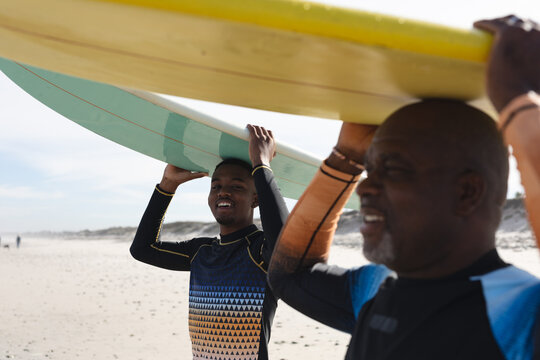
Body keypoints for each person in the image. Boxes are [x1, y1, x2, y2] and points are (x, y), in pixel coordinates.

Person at [267, 15, 540, 360]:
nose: (365, 189)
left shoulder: (519, 311)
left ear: (467, 192)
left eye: (393, 170)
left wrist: (517, 105)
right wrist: (345, 160)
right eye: (370, 169)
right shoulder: (375, 288)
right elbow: (289, 275)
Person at [130, 124, 288, 360]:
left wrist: (261, 165)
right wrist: (167, 186)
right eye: (216, 186)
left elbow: (284, 240)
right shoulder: (200, 252)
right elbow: (143, 249)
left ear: (255, 199)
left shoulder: (260, 251)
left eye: (236, 186)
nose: (223, 192)